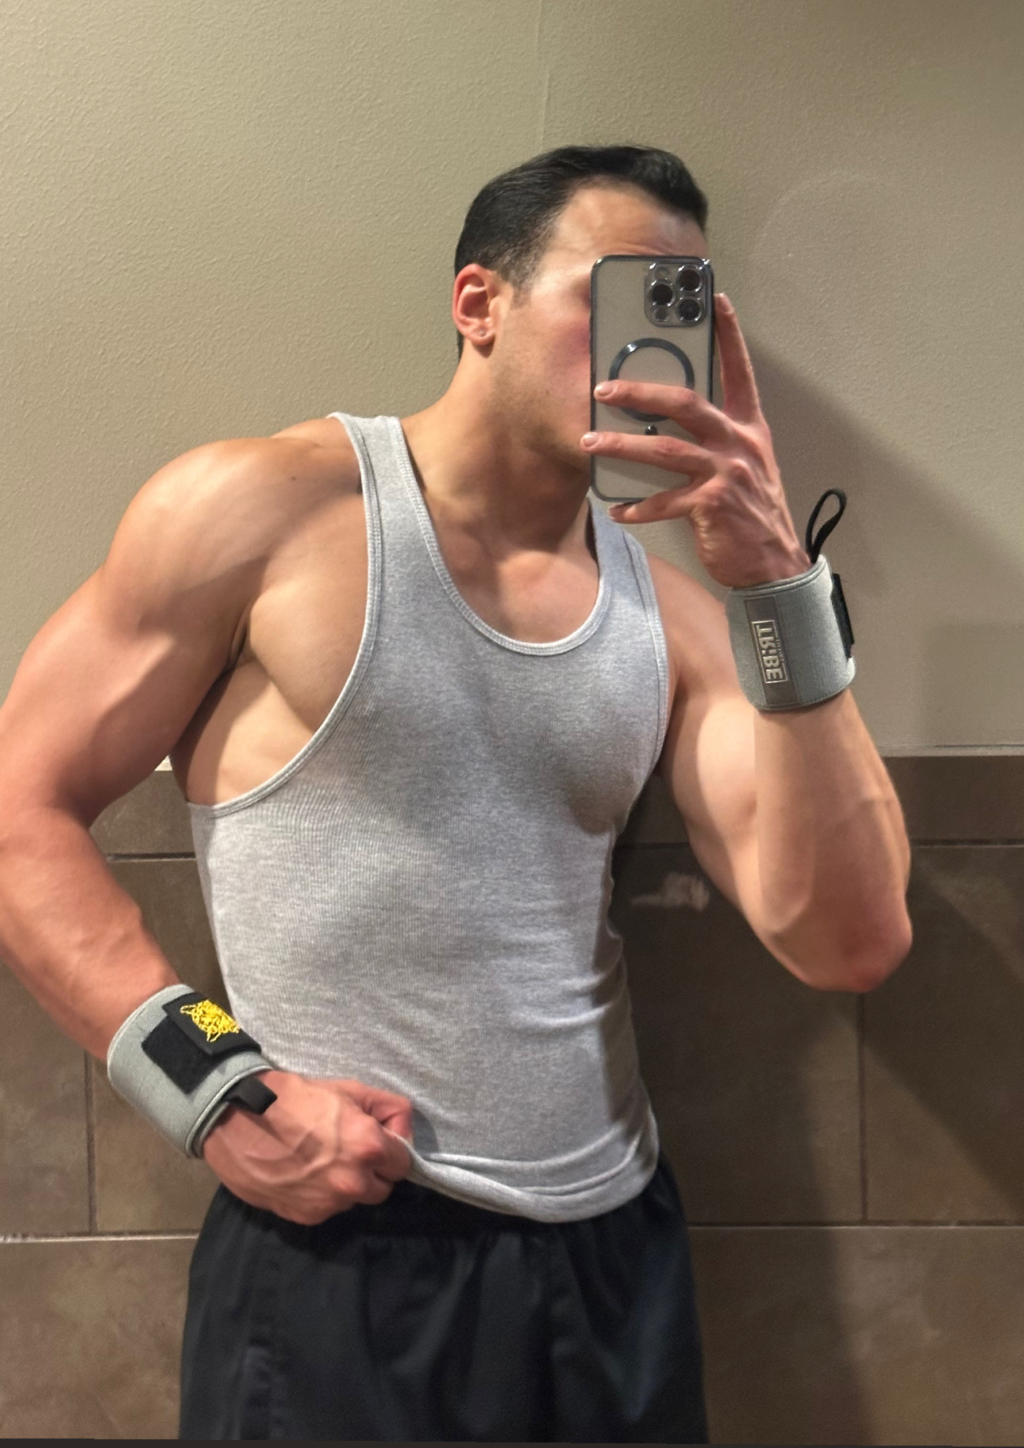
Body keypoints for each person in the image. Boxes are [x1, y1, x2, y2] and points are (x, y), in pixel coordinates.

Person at [0, 145, 911, 1443]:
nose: (649, 346)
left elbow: (851, 939)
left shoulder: (680, 620)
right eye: (613, 293)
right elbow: (18, 810)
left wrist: (780, 590)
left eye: (681, 308)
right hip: (344, 1257)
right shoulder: (267, 513)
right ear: (479, 303)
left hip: (614, 1264)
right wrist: (214, 1091)